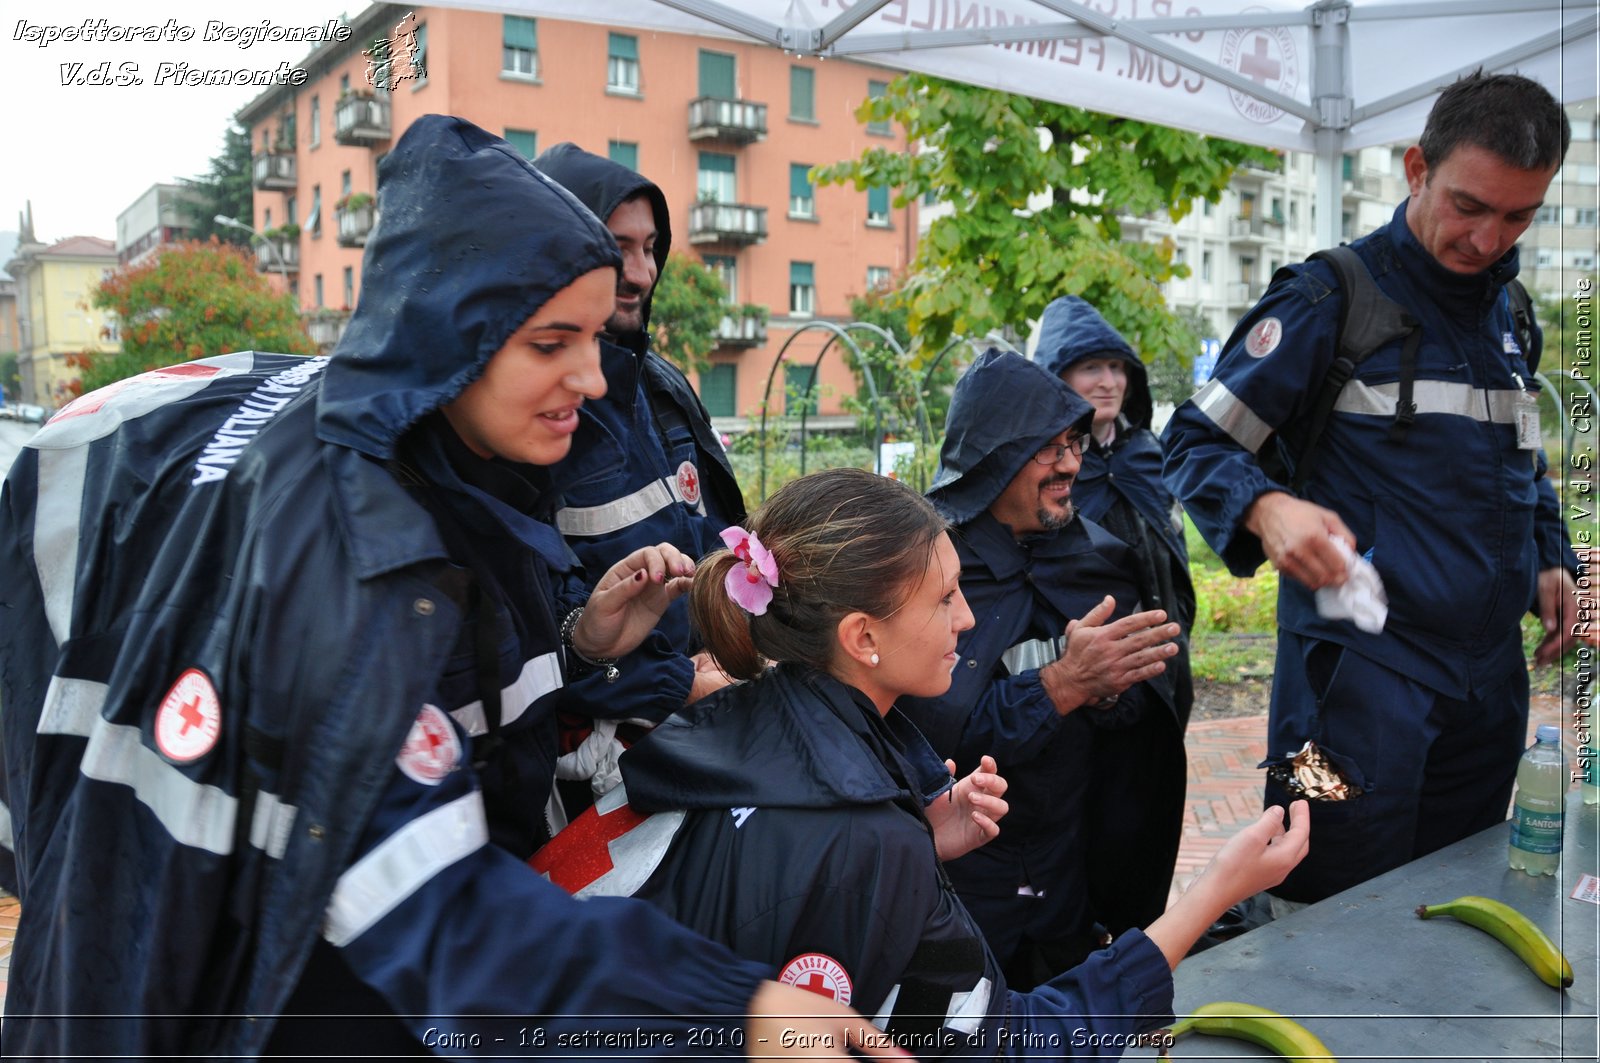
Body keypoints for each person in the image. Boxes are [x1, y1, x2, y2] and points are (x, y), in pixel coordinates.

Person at [0, 115, 900, 1059]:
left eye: (594, 335)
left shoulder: (437, 454)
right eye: (552, 342)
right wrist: (735, 1010)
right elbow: (435, 909)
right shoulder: (350, 560)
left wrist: (581, 646)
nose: (592, 378)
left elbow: (459, 710)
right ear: (450, 335)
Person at [533, 466, 1310, 1058]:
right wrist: (1216, 890)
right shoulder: (861, 840)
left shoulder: (727, 725)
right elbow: (1015, 1043)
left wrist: (912, 831)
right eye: (944, 599)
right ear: (863, 637)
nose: (968, 620)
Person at [1162, 71, 1579, 907]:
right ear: (1417, 167)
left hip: (1485, 695)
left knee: (1456, 905)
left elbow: (1519, 466)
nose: (1489, 238)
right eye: (1470, 205)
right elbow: (1192, 439)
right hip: (1345, 698)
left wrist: (1549, 561)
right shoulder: (1328, 296)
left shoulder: (1514, 318)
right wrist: (1262, 504)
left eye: (1519, 215)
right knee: (1314, 898)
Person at [899, 348, 1185, 988]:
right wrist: (1060, 685)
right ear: (993, 458)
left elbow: (1144, 716)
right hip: (957, 888)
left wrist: (1110, 692)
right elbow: (925, 743)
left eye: (1074, 444)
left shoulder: (1100, 564)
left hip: (1067, 880)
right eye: (1046, 449)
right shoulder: (923, 574)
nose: (1071, 465)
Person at [531, 143, 745, 810]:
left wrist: (747, 644)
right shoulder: (533, 412)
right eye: (617, 246)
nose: (641, 271)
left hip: (714, 720)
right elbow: (542, 624)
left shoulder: (663, 386)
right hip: (605, 772)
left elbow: (724, 534)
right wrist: (675, 684)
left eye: (651, 247)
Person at [1031, 297, 1196, 947]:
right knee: (1084, 825)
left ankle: (1137, 943)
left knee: (1146, 817)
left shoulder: (1143, 453)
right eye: (1088, 368)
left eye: (1116, 367)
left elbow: (1172, 554)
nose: (1107, 381)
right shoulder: (1042, 464)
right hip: (1087, 687)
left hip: (1159, 677)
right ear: (1056, 377)